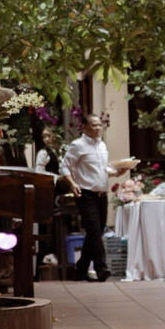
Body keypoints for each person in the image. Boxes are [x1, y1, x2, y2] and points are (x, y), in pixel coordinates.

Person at [60, 120, 113, 281]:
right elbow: (64, 167)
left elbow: (102, 170)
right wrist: (72, 183)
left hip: (101, 194)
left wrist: (117, 171)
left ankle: (81, 269)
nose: (98, 128)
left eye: (99, 125)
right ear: (84, 127)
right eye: (94, 125)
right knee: (95, 229)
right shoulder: (78, 145)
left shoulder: (102, 145)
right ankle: (101, 268)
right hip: (85, 194)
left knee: (96, 231)